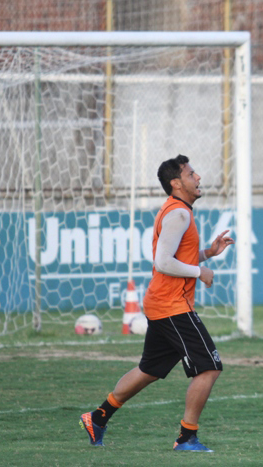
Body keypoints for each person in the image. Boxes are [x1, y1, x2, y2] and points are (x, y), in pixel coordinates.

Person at [80, 154, 235, 452]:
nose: (198, 177)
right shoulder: (178, 214)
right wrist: (199, 271)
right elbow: (163, 262)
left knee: (148, 370)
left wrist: (207, 253)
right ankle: (186, 437)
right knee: (209, 368)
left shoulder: (178, 211)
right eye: (191, 174)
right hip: (172, 306)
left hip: (162, 304)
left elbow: (175, 257)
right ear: (176, 183)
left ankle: (98, 417)